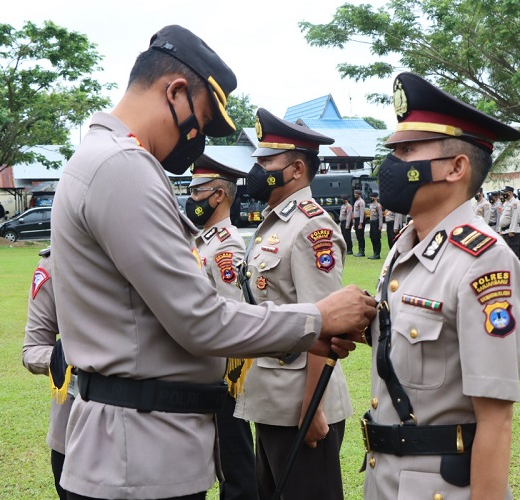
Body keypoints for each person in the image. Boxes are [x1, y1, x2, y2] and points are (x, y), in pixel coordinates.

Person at [49, 25, 375, 500]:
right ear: (175, 93)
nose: (197, 141)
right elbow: (199, 319)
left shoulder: (95, 159)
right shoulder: (124, 167)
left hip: (134, 446)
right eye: (200, 121)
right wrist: (320, 318)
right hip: (139, 456)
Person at [361, 71, 520, 499]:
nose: (391, 165)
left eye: (406, 151)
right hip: (384, 479)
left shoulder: (484, 261)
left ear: (457, 167)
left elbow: (495, 420)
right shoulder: (405, 247)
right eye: (393, 150)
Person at [234, 108, 352, 500]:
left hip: (301, 405)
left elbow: (326, 324)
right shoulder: (276, 221)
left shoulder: (310, 226)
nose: (258, 169)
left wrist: (312, 407)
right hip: (272, 400)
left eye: (267, 161)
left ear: (297, 169)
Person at [185, 155, 258, 499]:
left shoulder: (225, 243)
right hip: (205, 365)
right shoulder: (202, 241)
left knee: (234, 457)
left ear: (218, 195)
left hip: (224, 369)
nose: (192, 198)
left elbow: (230, 310)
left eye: (197, 191)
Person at [21, 246, 74, 500]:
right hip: (74, 429)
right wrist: (67, 356)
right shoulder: (55, 264)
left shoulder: (155, 248)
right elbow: (32, 350)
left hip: (151, 424)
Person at [498, 185, 520, 258]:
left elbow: (515, 217)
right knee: (506, 252)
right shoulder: (506, 203)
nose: (503, 194)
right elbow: (503, 217)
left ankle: (514, 269)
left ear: (510, 193)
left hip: (511, 232)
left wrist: (512, 231)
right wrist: (500, 230)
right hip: (505, 231)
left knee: (513, 252)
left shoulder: (515, 203)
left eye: (505, 192)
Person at [368, 192, 384, 259]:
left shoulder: (378, 205)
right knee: (372, 238)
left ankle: (377, 254)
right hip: (372, 223)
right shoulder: (371, 205)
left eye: (371, 197)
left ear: (375, 197)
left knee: (377, 238)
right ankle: (374, 253)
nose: (370, 198)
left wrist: (380, 225)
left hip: (376, 223)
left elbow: (380, 216)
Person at [353, 189, 367, 256]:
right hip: (356, 219)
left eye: (355, 193)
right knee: (358, 236)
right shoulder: (356, 201)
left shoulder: (361, 202)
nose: (354, 194)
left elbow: (362, 213)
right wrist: (354, 223)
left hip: (360, 220)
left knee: (360, 236)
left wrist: (360, 223)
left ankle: (362, 251)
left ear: (358, 194)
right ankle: (359, 250)